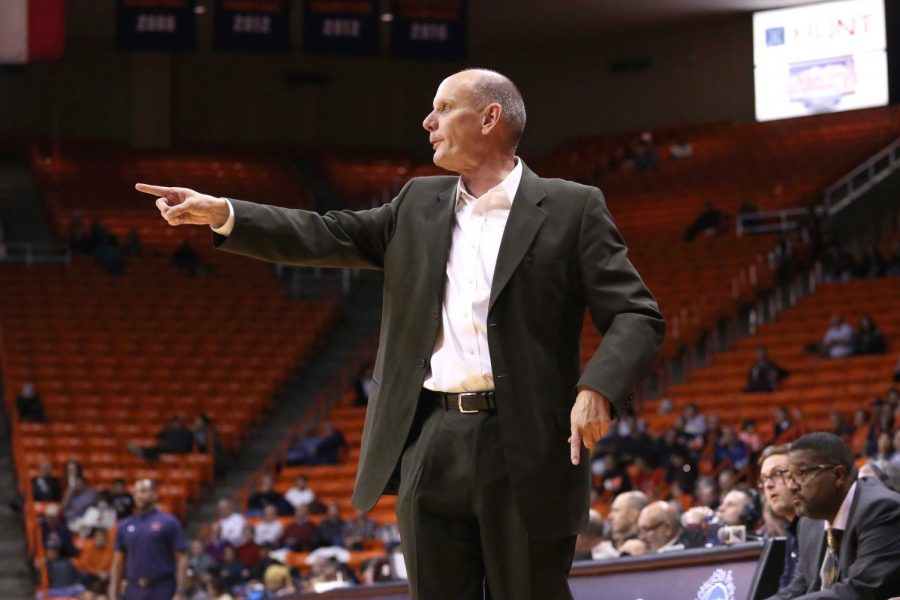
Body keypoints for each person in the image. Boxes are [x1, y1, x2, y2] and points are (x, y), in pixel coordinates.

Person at [139, 67, 664, 599]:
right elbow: (325, 233)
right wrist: (224, 213)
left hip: (526, 442)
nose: (427, 121)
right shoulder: (416, 204)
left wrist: (597, 387)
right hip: (429, 438)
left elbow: (636, 312)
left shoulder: (573, 207)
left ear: (489, 118)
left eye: (442, 108)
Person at [766, 432, 900, 599]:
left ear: (838, 475)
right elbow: (800, 586)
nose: (792, 487)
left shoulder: (881, 509)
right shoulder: (808, 523)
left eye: (801, 474)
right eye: (790, 477)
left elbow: (860, 590)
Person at [108, 479, 188, 600]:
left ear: (155, 494)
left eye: (144, 491)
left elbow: (182, 558)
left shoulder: (169, 522)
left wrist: (181, 591)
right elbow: (118, 562)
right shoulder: (124, 525)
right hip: (133, 588)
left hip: (162, 587)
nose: (140, 495)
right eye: (136, 492)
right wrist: (113, 591)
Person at [758, 445, 802, 592]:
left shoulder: (818, 526)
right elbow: (787, 585)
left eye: (776, 474)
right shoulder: (792, 531)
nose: (768, 485)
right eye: (764, 479)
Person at [637, 501, 702, 553]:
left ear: (668, 529)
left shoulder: (685, 553)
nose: (642, 537)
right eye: (640, 531)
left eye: (646, 529)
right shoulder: (640, 552)